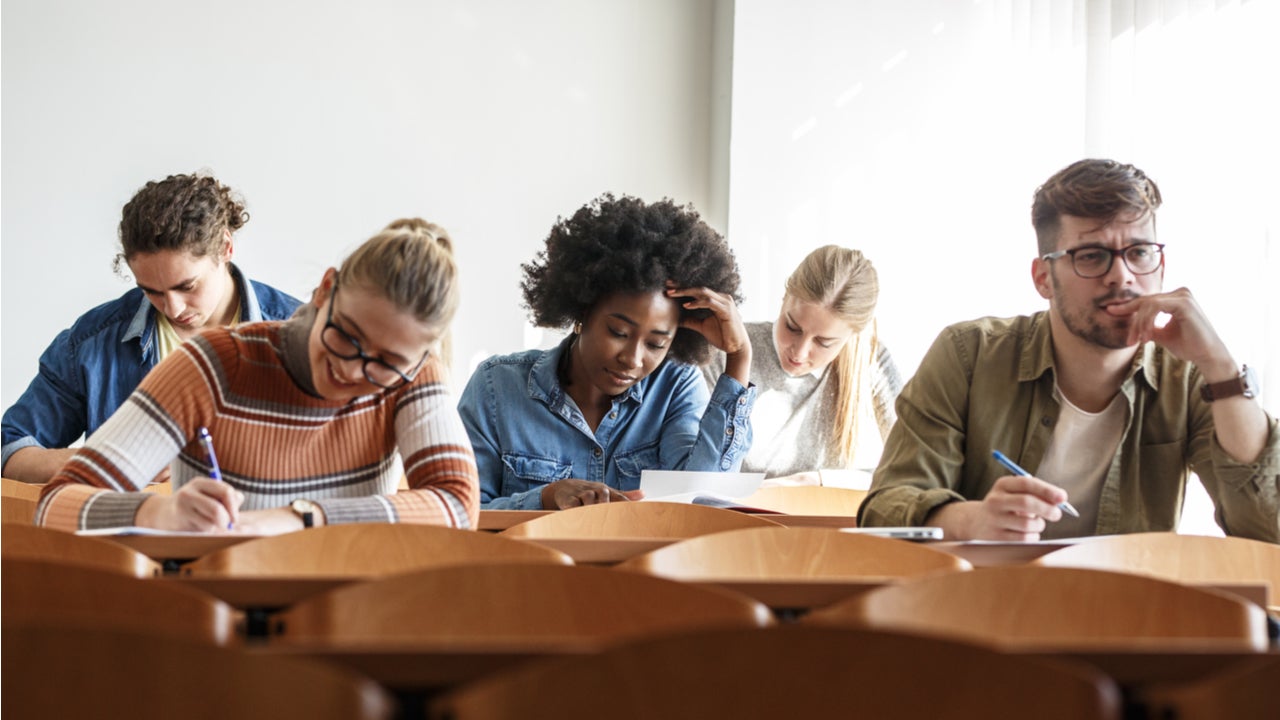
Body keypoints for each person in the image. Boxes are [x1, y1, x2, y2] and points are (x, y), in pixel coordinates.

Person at [859, 159, 1279, 542]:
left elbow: (1266, 530)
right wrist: (971, 520)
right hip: (985, 607)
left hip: (1126, 615)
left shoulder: (1190, 378)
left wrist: (1222, 369)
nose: (1122, 276)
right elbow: (883, 510)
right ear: (1043, 277)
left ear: (1161, 267)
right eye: (1092, 256)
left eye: (1139, 253)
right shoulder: (968, 356)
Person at [35, 218, 478, 534]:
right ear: (326, 289)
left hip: (348, 625)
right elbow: (56, 504)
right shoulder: (214, 363)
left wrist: (303, 517)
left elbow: (458, 506)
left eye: (385, 363)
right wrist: (156, 513)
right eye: (347, 336)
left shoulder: (414, 376)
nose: (351, 368)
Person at [458, 193, 756, 510]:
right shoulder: (496, 387)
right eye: (618, 332)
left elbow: (703, 504)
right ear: (582, 312)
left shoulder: (675, 386)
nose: (632, 358)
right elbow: (462, 517)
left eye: (656, 344)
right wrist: (544, 498)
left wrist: (739, 357)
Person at [2, 173, 301, 483]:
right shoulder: (92, 343)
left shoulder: (300, 335)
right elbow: (10, 451)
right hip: (132, 529)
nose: (173, 309)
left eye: (186, 286)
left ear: (225, 247)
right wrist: (103, 459)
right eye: (151, 291)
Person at [703, 245, 902, 486]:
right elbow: (696, 471)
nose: (799, 351)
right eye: (792, 327)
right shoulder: (725, 350)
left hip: (827, 518)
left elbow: (909, 471)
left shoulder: (871, 362)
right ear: (784, 298)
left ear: (852, 335)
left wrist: (815, 481)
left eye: (824, 342)